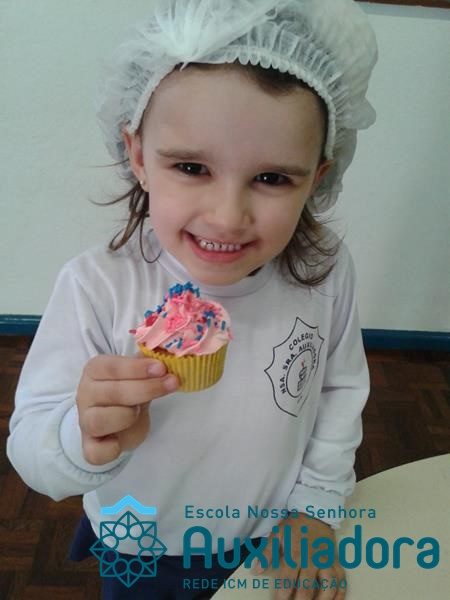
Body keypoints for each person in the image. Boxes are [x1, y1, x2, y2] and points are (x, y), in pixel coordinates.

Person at [7, 0, 378, 598]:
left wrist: (314, 508)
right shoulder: (97, 286)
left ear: (317, 176)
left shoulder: (324, 270)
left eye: (272, 178)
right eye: (191, 167)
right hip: (140, 544)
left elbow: (339, 390)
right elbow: (31, 448)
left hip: (269, 536)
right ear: (137, 156)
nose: (228, 217)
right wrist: (83, 435)